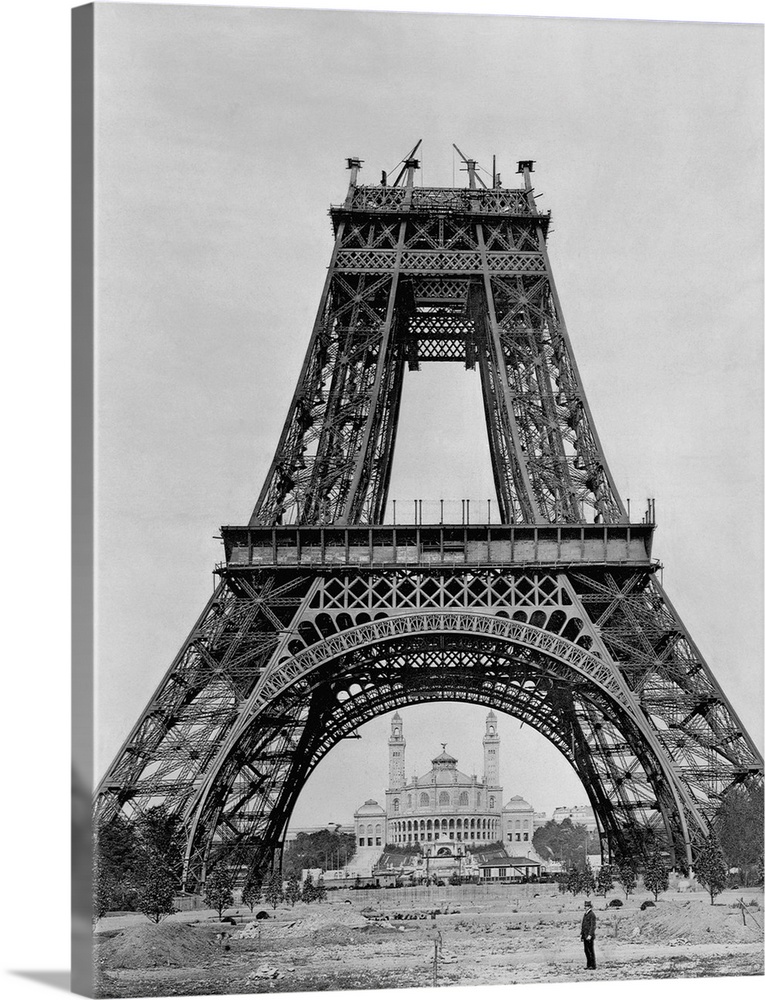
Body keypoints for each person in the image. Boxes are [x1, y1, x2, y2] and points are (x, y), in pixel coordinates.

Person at [580, 899, 596, 969]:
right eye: (585, 906)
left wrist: (590, 935)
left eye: (587, 906)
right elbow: (583, 924)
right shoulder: (585, 914)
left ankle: (593, 965)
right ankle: (588, 965)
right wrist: (581, 934)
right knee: (586, 950)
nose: (585, 907)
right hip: (585, 935)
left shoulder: (592, 914)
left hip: (589, 936)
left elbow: (593, 926)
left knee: (590, 951)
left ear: (590, 907)